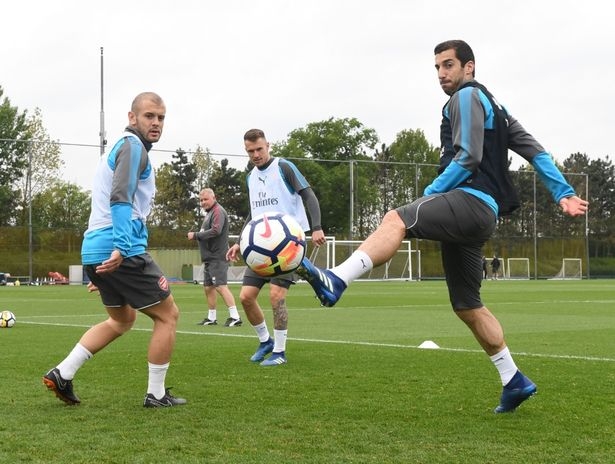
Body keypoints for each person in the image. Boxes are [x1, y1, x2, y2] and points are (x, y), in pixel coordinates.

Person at [298, 40, 588, 413]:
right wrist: (563, 192)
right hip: (480, 216)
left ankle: (337, 278)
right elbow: (537, 152)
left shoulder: (465, 96)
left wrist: (429, 193)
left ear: (469, 67)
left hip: (468, 201)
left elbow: (468, 158)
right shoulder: (498, 109)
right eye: (437, 67)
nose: (441, 73)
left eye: (448, 64)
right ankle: (513, 379)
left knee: (396, 218)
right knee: (467, 305)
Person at [43, 92, 186, 408]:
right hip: (121, 249)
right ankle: (156, 395)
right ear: (132, 117)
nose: (156, 123)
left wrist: (102, 266)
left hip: (96, 249)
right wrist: (121, 248)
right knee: (168, 315)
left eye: (161, 117)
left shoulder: (117, 148)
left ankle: (63, 373)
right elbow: (121, 197)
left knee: (122, 320)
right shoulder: (132, 147)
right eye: (149, 116)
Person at [226, 128, 326, 366]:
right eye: (250, 151)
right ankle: (265, 341)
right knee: (246, 297)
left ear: (268, 145)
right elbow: (253, 214)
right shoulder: (250, 177)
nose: (256, 155)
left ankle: (279, 352)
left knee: (276, 296)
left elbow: (308, 195)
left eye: (259, 149)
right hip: (260, 247)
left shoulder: (284, 167)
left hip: (288, 246)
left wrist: (317, 227)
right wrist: (239, 242)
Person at [188, 188, 242, 327]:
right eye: (201, 200)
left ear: (214, 198)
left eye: (206, 199)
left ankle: (235, 317)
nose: (203, 202)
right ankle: (212, 318)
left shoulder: (218, 211)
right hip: (209, 258)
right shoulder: (210, 213)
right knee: (208, 287)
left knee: (220, 286)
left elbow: (216, 230)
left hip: (217, 257)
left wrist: (196, 235)